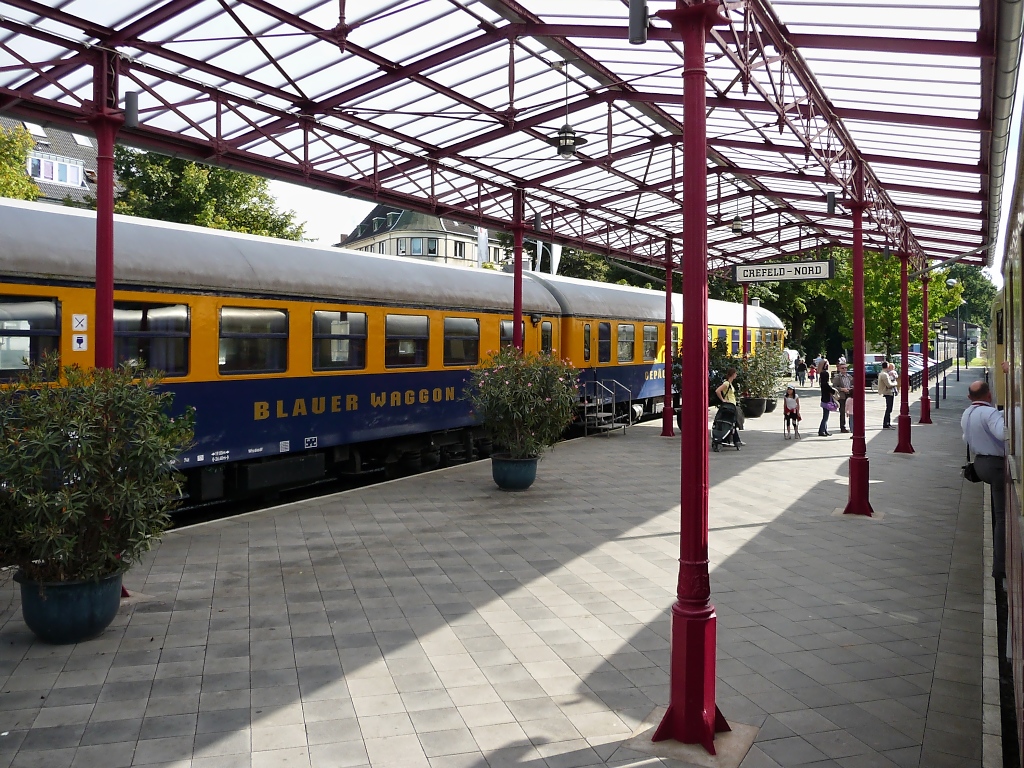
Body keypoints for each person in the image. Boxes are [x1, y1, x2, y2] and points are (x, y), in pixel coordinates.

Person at [962, 380, 1005, 580]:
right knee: (1002, 518)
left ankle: (999, 565)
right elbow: (1002, 433)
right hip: (995, 465)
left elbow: (966, 438)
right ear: (989, 395)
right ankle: (1000, 567)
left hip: (979, 464)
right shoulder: (990, 413)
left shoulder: (967, 413)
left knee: (999, 516)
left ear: (970, 397)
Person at [714, 367, 744, 446]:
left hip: (732, 405)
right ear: (733, 374)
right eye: (735, 374)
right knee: (731, 423)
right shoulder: (726, 383)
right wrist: (723, 400)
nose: (736, 375)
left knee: (731, 423)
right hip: (729, 406)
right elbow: (717, 391)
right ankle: (736, 440)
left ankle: (729, 439)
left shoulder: (729, 383)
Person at [831, 362, 853, 433]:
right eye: (842, 368)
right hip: (842, 396)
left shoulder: (849, 376)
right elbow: (834, 387)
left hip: (849, 395)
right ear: (839, 369)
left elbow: (853, 384)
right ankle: (842, 427)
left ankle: (852, 426)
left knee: (851, 412)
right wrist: (842, 389)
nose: (844, 369)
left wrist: (851, 388)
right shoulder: (837, 377)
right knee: (842, 412)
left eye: (845, 368)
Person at [878, 361, 897, 429]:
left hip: (888, 392)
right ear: (887, 366)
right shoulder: (884, 374)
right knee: (889, 408)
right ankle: (886, 423)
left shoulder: (883, 373)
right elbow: (889, 385)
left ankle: (888, 423)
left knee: (889, 408)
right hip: (888, 392)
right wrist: (895, 383)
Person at [818, 361, 835, 436]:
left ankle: (825, 430)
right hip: (826, 401)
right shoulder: (826, 384)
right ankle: (821, 431)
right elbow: (832, 391)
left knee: (825, 416)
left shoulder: (822, 384)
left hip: (824, 401)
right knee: (825, 417)